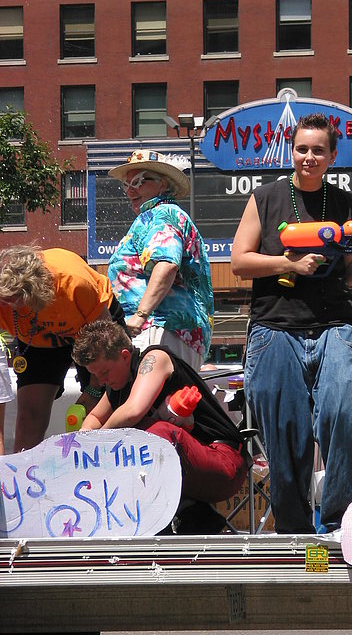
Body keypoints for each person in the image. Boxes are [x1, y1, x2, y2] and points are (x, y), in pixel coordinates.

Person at [231, 113, 352, 534]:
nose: (308, 157)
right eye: (301, 148)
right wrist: (287, 263)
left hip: (334, 325)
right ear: (291, 151)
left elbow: (348, 272)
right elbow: (239, 262)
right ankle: (295, 534)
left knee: (343, 411)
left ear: (331, 157)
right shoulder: (266, 198)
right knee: (285, 432)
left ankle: (338, 524)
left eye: (318, 150)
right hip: (275, 328)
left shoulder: (344, 203)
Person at [72, 319, 248, 533]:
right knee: (140, 438)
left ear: (125, 356)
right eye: (97, 375)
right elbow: (95, 419)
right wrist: (83, 443)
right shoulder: (118, 384)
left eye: (105, 372)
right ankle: (196, 518)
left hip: (225, 459)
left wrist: (100, 442)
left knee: (153, 433)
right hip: (193, 471)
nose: (101, 381)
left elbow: (133, 411)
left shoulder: (155, 358)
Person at [0, 245, 127, 451]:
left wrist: (94, 389)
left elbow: (104, 344)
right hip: (37, 337)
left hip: (96, 332)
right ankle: (25, 478)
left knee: (105, 403)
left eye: (10, 300)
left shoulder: (73, 282)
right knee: (29, 416)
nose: (4, 305)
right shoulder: (6, 301)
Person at [107, 149, 214, 372]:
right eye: (126, 185)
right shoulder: (161, 215)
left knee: (151, 404)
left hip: (158, 329)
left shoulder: (161, 214)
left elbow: (166, 265)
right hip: (165, 330)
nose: (130, 191)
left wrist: (139, 316)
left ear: (162, 185)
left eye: (137, 182)